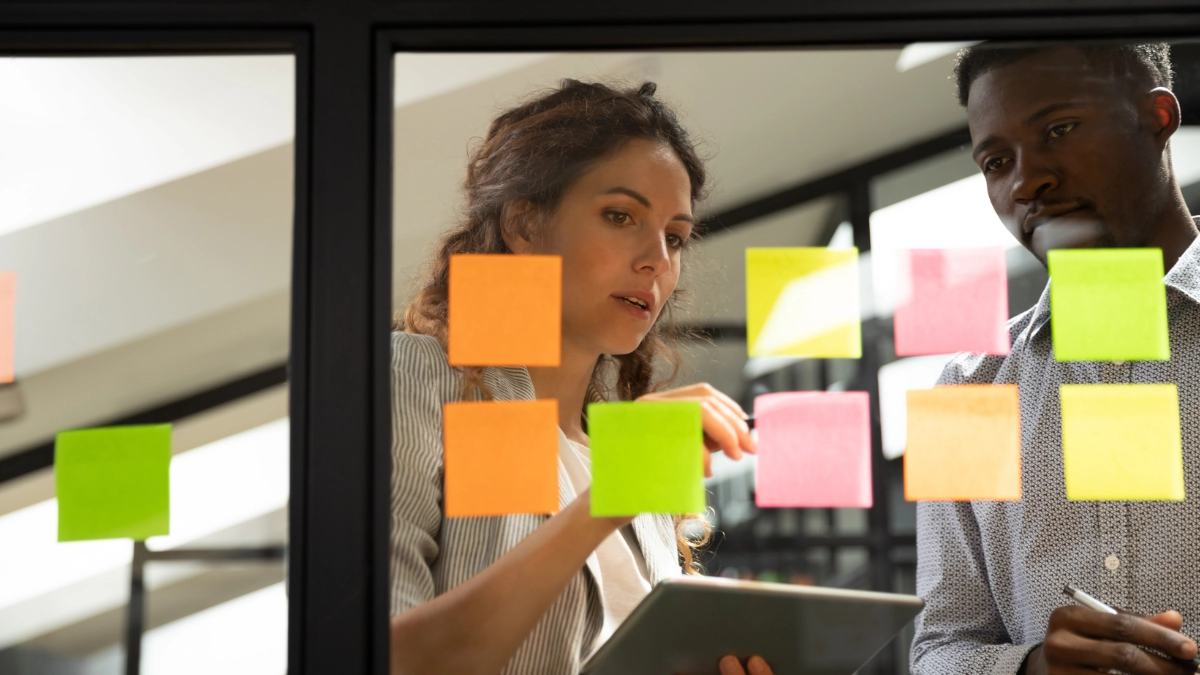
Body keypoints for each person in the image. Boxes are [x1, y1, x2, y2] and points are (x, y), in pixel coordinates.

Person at [389, 80, 772, 675]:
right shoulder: (421, 379)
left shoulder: (620, 442)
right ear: (525, 224)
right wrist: (605, 502)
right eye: (620, 216)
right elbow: (385, 655)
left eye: (676, 237)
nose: (657, 260)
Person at [911, 41, 1200, 675]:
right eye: (995, 161)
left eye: (1059, 130)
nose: (1026, 181)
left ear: (1157, 119)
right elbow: (938, 651)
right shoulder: (965, 394)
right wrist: (1033, 668)